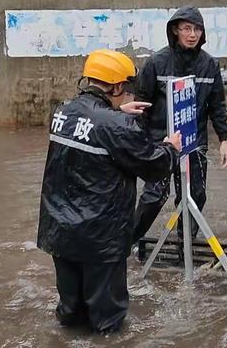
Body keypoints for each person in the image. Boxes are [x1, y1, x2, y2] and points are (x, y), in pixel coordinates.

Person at [37, 49, 181, 334]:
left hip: (60, 231)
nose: (126, 95)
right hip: (100, 238)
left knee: (70, 312)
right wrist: (171, 148)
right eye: (125, 88)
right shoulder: (118, 125)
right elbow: (154, 165)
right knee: (108, 320)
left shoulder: (63, 110)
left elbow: (94, 125)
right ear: (116, 86)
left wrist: (114, 113)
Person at [132, 5, 227, 242]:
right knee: (154, 195)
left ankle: (184, 243)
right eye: (187, 28)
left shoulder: (209, 65)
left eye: (197, 29)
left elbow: (217, 104)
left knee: (196, 194)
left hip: (194, 142)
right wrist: (139, 143)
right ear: (176, 30)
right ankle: (127, 241)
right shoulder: (157, 63)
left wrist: (224, 140)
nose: (192, 34)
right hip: (161, 142)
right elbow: (141, 103)